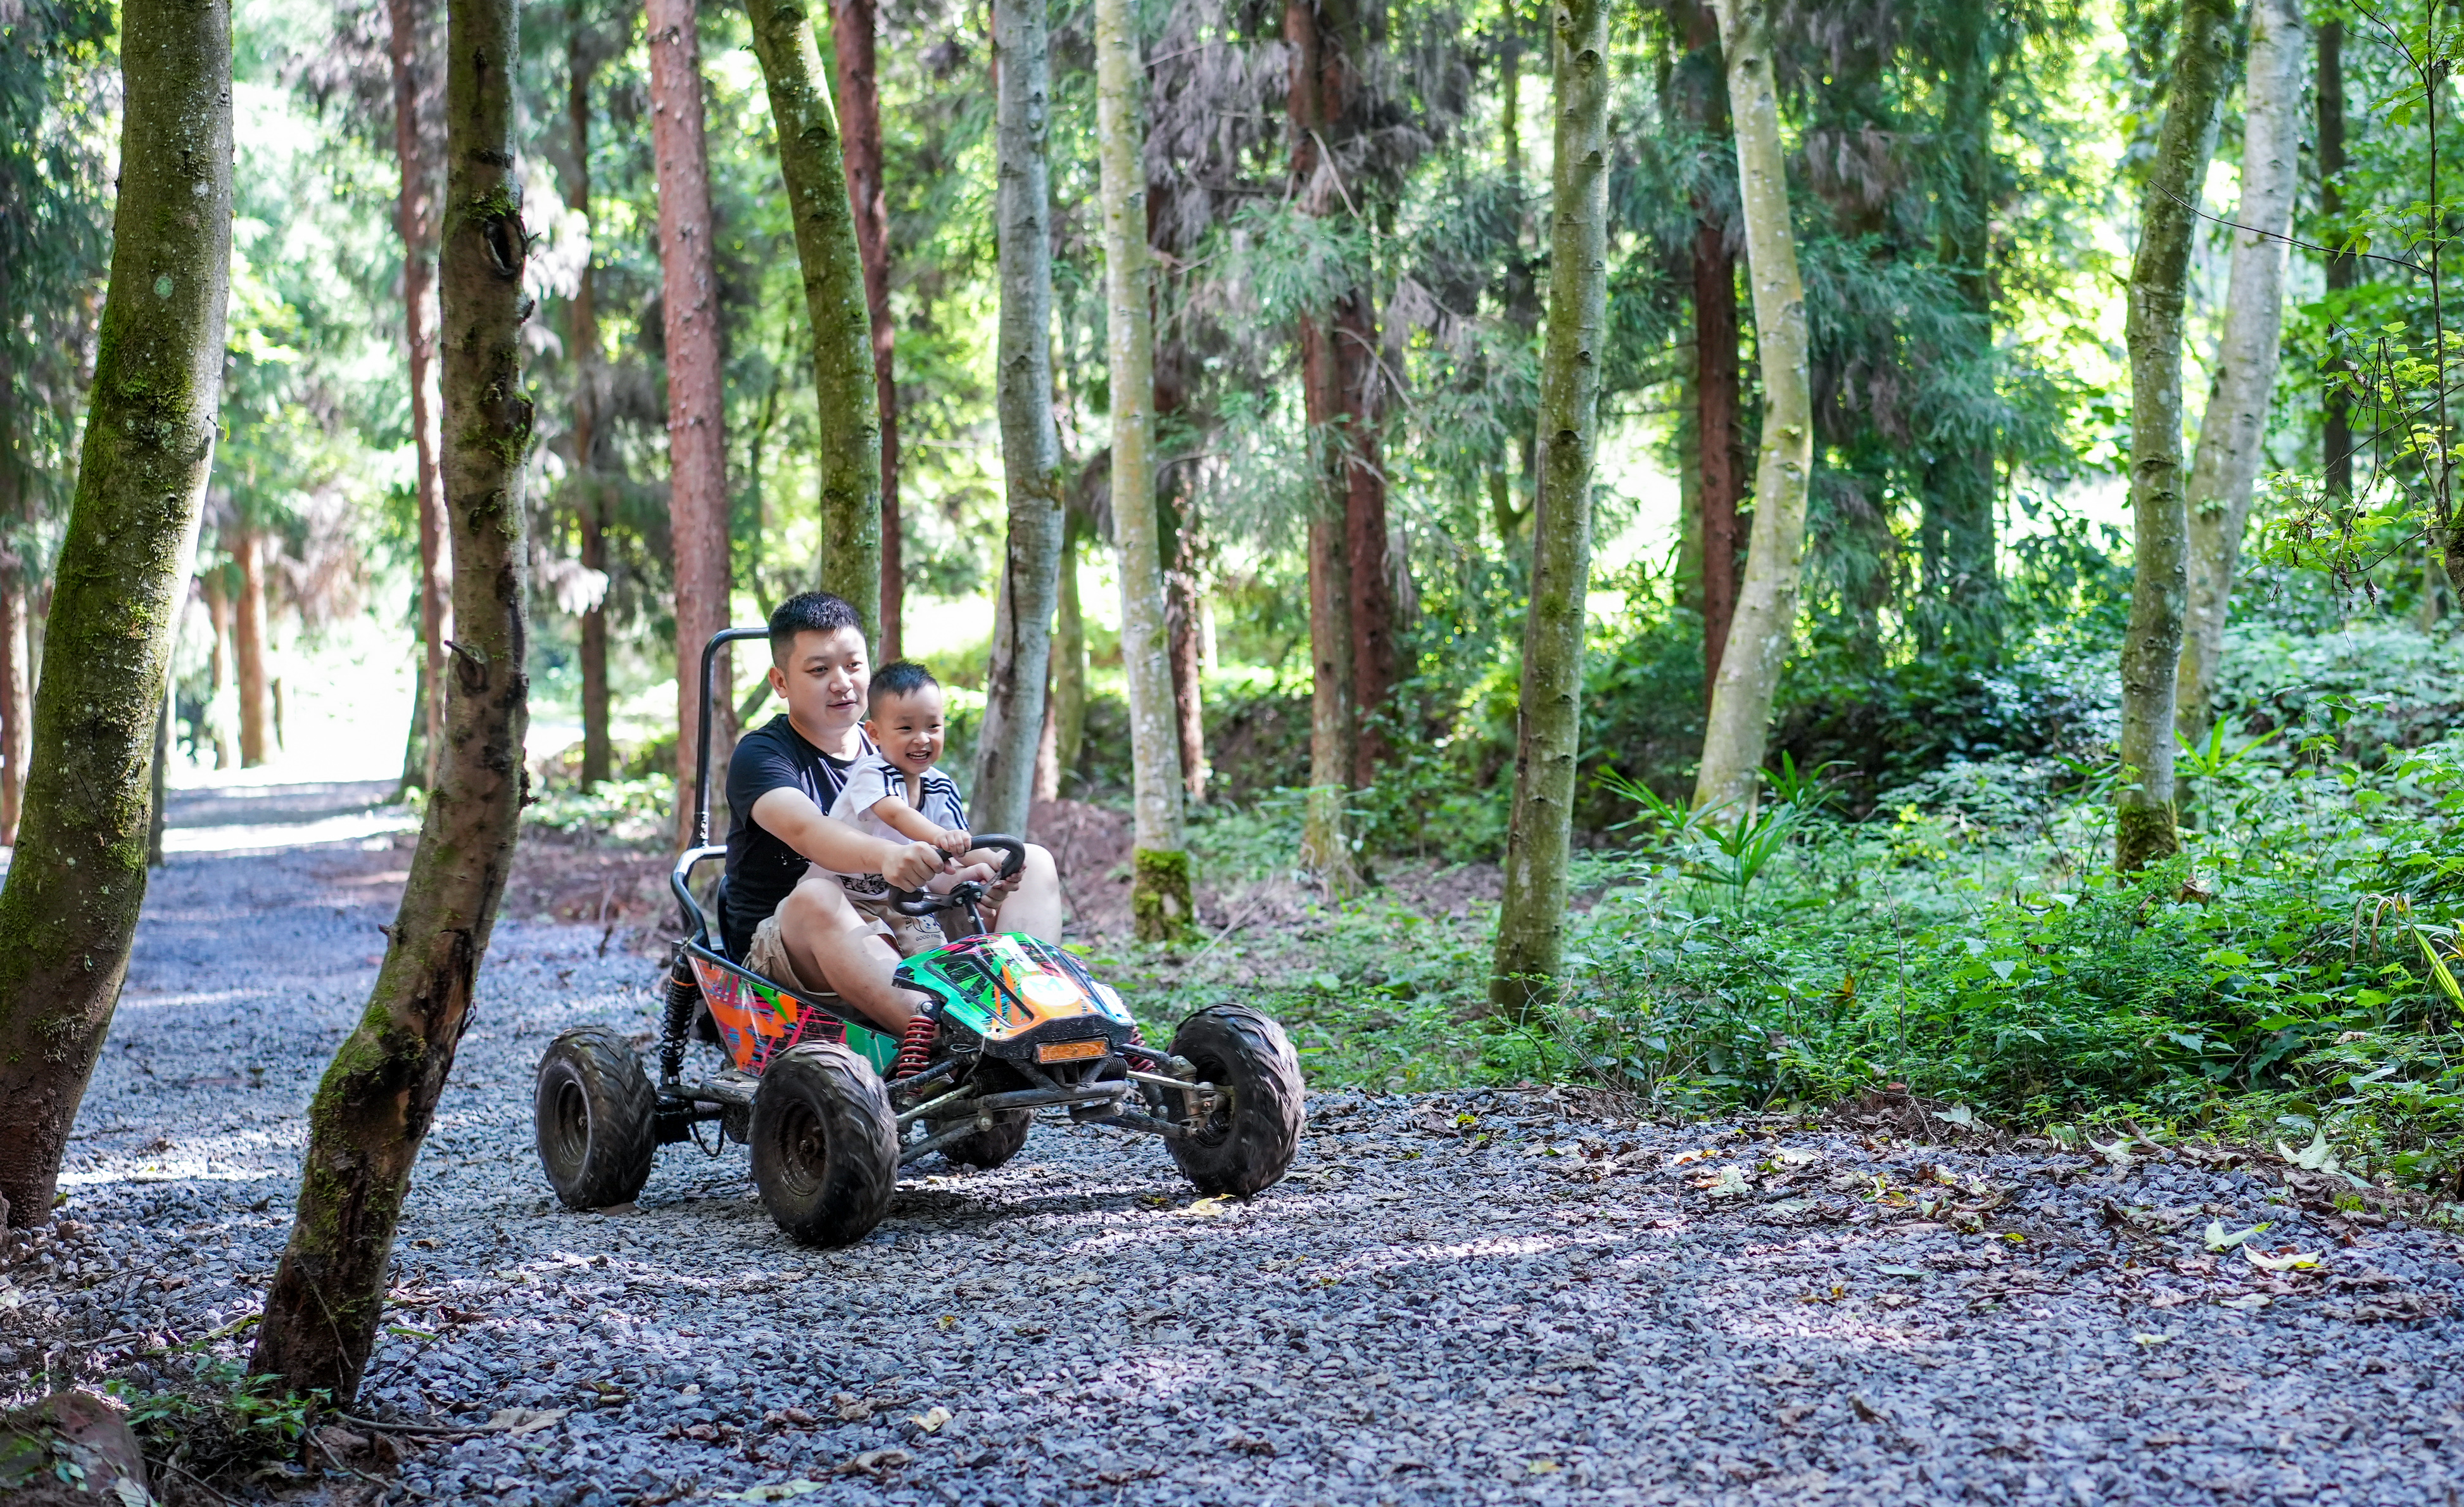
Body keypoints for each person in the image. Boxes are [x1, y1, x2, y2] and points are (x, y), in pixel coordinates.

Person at [721, 592, 1064, 1059]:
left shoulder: (895, 750)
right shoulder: (761, 755)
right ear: (781, 682)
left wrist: (972, 878)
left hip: (902, 920)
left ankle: (1023, 1014)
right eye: (819, 670)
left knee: (1034, 861)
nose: (842, 683)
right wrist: (889, 857)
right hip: (789, 951)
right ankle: (956, 1040)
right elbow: (810, 833)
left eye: (853, 665)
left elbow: (930, 855)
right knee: (818, 897)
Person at [824, 659, 996, 957]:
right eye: (906, 728)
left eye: (933, 726)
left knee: (946, 946)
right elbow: (897, 814)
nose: (922, 738)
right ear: (875, 734)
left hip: (901, 899)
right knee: (904, 953)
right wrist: (942, 837)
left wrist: (998, 864)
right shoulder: (872, 773)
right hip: (845, 899)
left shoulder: (941, 786)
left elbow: (963, 845)